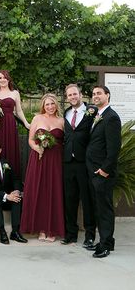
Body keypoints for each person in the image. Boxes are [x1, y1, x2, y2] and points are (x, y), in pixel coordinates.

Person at [21, 93, 65, 242]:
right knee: (38, 190)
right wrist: (37, 148)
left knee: (53, 190)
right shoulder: (37, 118)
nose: (50, 107)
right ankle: (40, 228)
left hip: (55, 160)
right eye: (47, 104)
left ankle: (51, 229)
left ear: (56, 105)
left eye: (52, 104)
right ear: (43, 106)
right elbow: (31, 140)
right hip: (39, 158)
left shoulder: (61, 121)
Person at [85, 85, 121, 258]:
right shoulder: (98, 115)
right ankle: (106, 241)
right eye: (93, 94)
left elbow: (114, 149)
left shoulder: (111, 117)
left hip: (102, 173)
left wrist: (105, 170)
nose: (95, 96)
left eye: (99, 93)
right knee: (99, 208)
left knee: (104, 209)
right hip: (93, 171)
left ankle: (105, 245)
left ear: (108, 95)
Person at [61, 84, 96, 247]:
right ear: (67, 98)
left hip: (84, 162)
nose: (72, 97)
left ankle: (90, 235)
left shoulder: (92, 111)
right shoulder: (66, 113)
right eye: (69, 95)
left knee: (87, 200)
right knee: (70, 199)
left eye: (75, 94)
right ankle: (71, 234)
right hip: (68, 162)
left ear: (80, 95)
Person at [0, 70, 30, 180]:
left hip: (9, 124)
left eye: (4, 78)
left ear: (8, 79)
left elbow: (18, 111)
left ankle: (9, 178)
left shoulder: (15, 93)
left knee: (9, 147)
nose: (2, 80)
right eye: (0, 78)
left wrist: (26, 123)